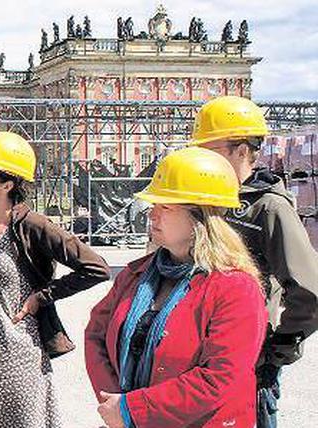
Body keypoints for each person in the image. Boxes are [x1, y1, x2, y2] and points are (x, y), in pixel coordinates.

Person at [85, 147, 267, 427]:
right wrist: (116, 403)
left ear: (200, 218)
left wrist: (132, 409)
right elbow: (96, 333)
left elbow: (219, 377)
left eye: (165, 206)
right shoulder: (136, 275)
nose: (151, 214)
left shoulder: (236, 289)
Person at [0, 131, 110, 427]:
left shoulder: (33, 226)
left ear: (8, 183)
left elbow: (96, 267)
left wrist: (41, 297)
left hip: (19, 359)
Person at [188, 96, 318, 428]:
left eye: (211, 150)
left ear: (242, 150)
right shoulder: (205, 201)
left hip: (248, 362)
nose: (201, 159)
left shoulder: (268, 208)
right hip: (197, 355)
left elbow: (310, 292)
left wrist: (277, 349)